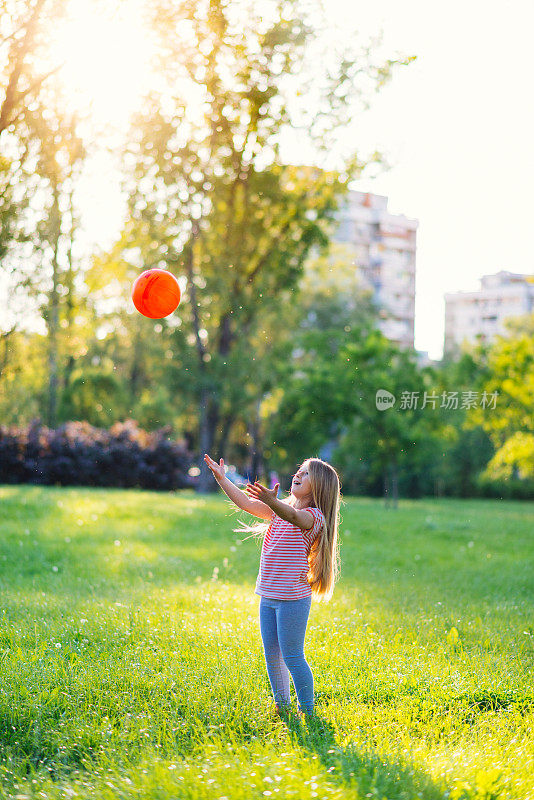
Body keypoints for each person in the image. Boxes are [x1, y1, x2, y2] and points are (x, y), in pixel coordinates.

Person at [203, 453, 342, 720]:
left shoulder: (314, 518)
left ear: (320, 487)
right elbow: (245, 503)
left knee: (292, 655)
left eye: (305, 473)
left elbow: (292, 516)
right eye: (298, 471)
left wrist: (272, 501)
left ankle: (308, 710)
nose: (297, 475)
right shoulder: (281, 507)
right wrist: (222, 479)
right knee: (272, 654)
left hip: (293, 599)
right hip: (267, 595)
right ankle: (283, 706)